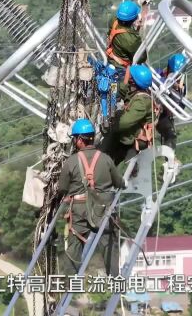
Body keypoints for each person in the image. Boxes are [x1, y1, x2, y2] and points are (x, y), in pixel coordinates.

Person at [58, 118, 125, 276]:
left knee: (74, 246)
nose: (74, 142)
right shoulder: (106, 159)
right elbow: (119, 183)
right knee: (109, 244)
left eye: (75, 139)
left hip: (79, 210)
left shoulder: (71, 162)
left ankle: (69, 282)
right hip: (103, 209)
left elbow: (62, 188)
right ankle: (116, 280)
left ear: (80, 139)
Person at [100, 65, 158, 166]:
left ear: (133, 81)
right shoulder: (134, 90)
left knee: (113, 130)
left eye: (131, 76)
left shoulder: (142, 102)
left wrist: (106, 126)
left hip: (138, 139)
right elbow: (119, 88)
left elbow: (123, 123)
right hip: (131, 131)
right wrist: (109, 83)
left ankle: (109, 162)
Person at [106, 0, 148, 104]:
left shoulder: (113, 20)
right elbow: (142, 57)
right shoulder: (132, 39)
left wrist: (133, 29)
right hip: (122, 69)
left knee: (112, 87)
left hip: (111, 61)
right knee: (120, 94)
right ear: (133, 19)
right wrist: (135, 33)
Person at [156, 54, 188, 150]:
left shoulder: (180, 88)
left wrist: (178, 91)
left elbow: (179, 108)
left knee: (170, 134)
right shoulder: (157, 74)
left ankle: (170, 159)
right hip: (151, 110)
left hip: (163, 115)